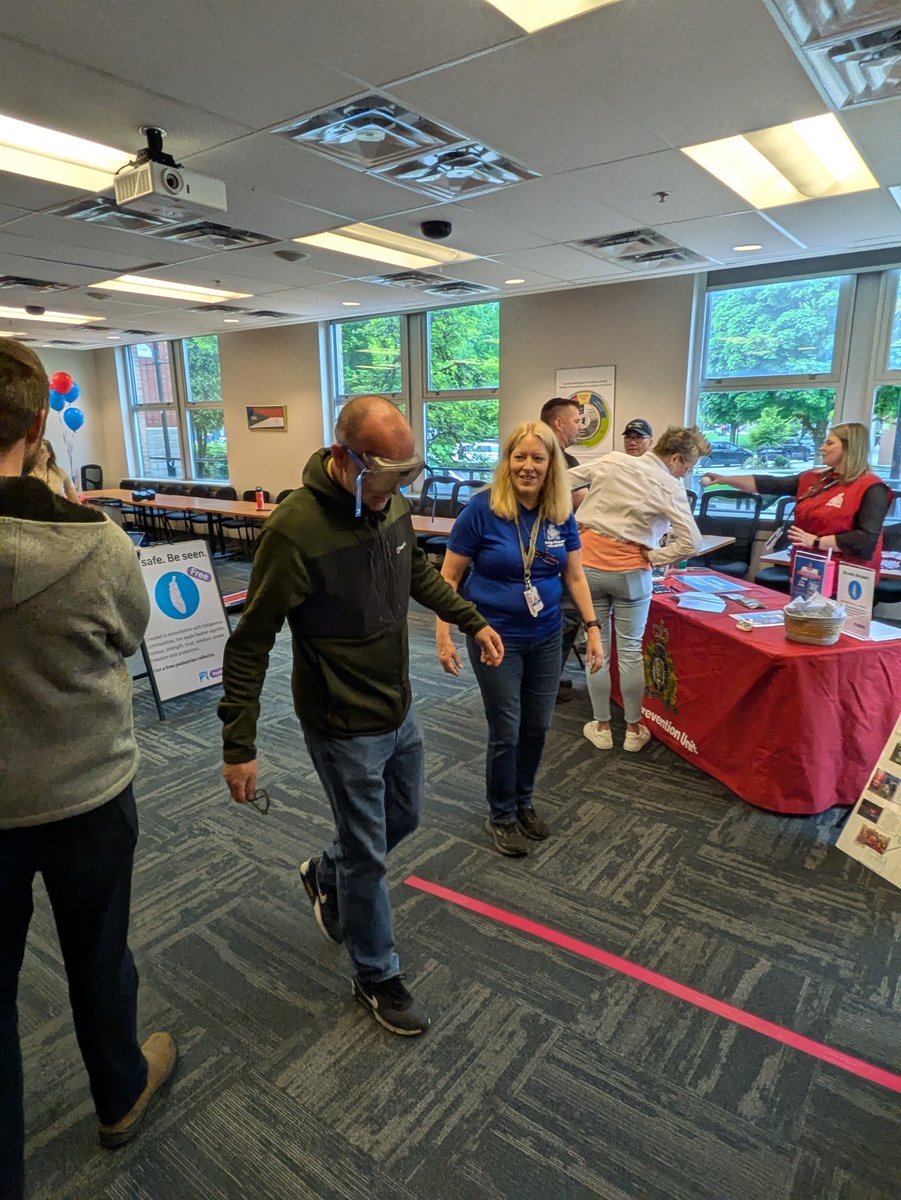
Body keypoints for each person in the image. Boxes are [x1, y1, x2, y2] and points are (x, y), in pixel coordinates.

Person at [219, 395, 503, 1038]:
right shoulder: (294, 531)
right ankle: (376, 974)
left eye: (408, 477)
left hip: (398, 705)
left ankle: (326, 871)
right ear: (345, 460)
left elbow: (417, 575)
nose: (397, 492)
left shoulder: (392, 502)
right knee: (370, 857)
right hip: (340, 720)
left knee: (404, 817)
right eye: (385, 479)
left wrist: (471, 619)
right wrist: (240, 741)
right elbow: (251, 642)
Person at [0, 341, 175, 1200]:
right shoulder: (100, 547)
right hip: (87, 796)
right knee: (99, 957)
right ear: (41, 426)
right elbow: (128, 638)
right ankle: (118, 1094)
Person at [436, 421, 603, 858]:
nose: (528, 467)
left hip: (547, 635)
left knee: (537, 726)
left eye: (538, 458)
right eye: (520, 457)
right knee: (507, 730)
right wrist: (444, 635)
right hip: (494, 636)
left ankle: (524, 800)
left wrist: (593, 628)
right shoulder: (481, 510)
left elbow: (575, 575)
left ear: (552, 466)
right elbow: (448, 577)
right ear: (508, 460)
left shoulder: (560, 513)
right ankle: (502, 814)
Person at [570, 426, 708, 754]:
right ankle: (633, 729)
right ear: (675, 459)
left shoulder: (612, 461)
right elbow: (693, 541)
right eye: (688, 468)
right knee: (630, 651)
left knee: (596, 649)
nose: (686, 474)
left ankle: (601, 726)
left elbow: (562, 479)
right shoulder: (670, 486)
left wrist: (572, 521)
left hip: (589, 568)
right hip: (632, 573)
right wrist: (656, 556)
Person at [706, 422, 891, 580]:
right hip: (808, 570)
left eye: (829, 443)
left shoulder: (872, 488)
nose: (822, 448)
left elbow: (866, 541)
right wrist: (726, 479)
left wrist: (817, 542)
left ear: (849, 447)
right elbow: (770, 483)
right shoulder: (814, 478)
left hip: (848, 578)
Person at [540, 397, 587, 698]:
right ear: (559, 423)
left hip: (546, 551)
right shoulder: (561, 461)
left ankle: (547, 679)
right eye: (576, 420)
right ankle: (546, 681)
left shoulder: (549, 456)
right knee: (567, 613)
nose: (580, 426)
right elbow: (581, 501)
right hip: (553, 552)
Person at [27, 438, 79, 503]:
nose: (39, 456)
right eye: (36, 452)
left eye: (42, 452)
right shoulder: (25, 474)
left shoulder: (60, 472)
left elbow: (74, 500)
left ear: (49, 454)